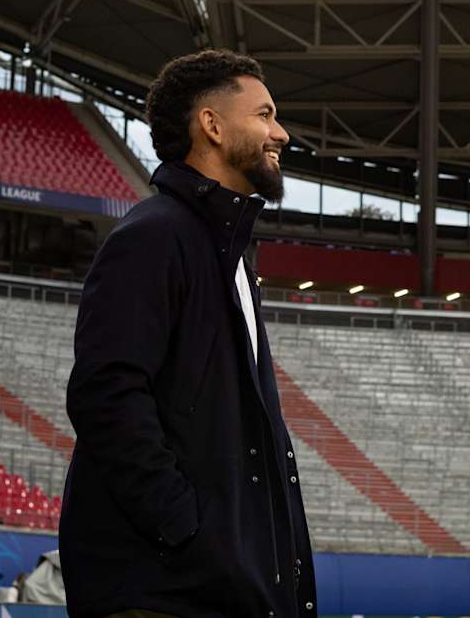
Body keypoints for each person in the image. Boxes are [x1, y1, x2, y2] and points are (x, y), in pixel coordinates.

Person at [60, 50, 316, 618]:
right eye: (265, 114)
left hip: (216, 588)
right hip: (163, 590)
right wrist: (188, 532)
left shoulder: (230, 254)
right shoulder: (152, 237)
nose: (282, 133)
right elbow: (106, 395)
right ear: (213, 126)